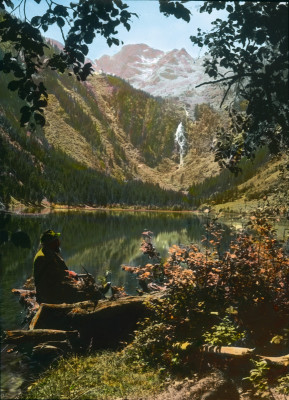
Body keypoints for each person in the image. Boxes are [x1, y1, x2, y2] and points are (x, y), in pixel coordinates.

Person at [33, 229, 100, 304]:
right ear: (50, 243)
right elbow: (55, 275)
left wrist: (70, 273)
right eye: (56, 241)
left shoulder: (48, 252)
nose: (58, 242)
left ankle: (98, 291)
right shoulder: (44, 257)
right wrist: (70, 274)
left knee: (83, 286)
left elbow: (58, 272)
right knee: (82, 293)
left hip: (50, 289)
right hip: (48, 293)